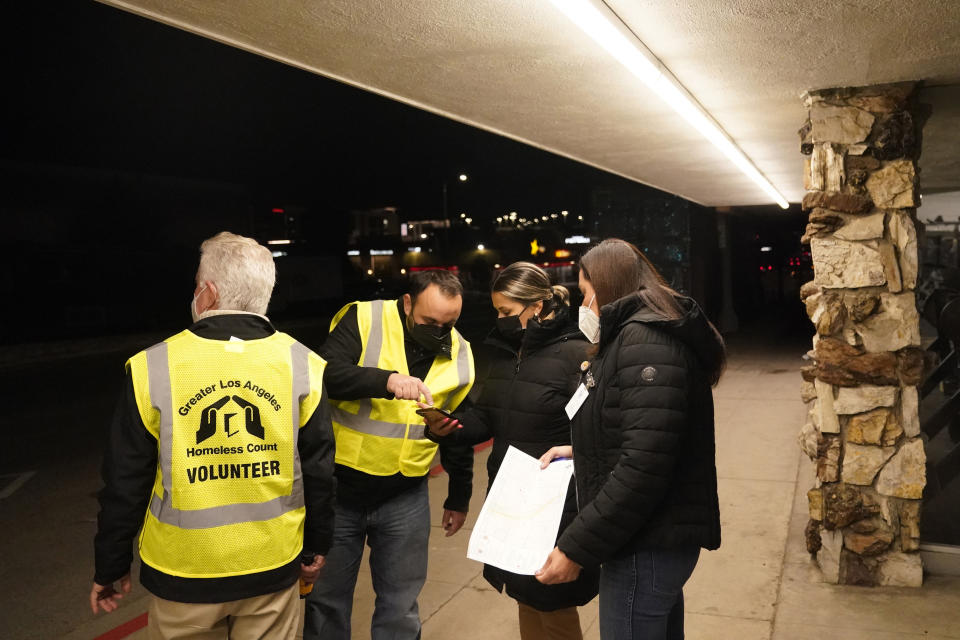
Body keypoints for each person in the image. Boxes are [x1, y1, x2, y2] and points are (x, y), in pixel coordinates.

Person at [91, 231, 336, 639]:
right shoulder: (303, 363)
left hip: (182, 572)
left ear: (206, 293)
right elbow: (319, 471)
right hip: (271, 567)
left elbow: (124, 481)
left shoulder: (152, 366)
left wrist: (110, 564)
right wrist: (316, 547)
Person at [536, 238, 725, 640]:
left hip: (646, 544)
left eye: (585, 294)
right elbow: (646, 432)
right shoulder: (636, 337)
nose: (583, 306)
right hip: (651, 537)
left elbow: (643, 465)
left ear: (607, 286)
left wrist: (575, 547)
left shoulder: (646, 342)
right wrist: (580, 449)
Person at [423, 262, 600, 640]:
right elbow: (487, 419)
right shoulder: (506, 355)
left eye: (506, 312)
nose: (500, 319)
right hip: (511, 499)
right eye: (496, 311)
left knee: (553, 605)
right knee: (525, 596)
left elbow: (598, 432)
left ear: (536, 306)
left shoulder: (575, 356)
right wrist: (448, 427)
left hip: (555, 506)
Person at [304, 270, 476, 640]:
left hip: (405, 496)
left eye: (449, 323)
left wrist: (459, 495)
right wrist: (386, 380)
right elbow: (323, 374)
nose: (440, 331)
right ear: (408, 302)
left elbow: (458, 427)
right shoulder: (365, 318)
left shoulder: (460, 352)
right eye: (430, 321)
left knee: (400, 607)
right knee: (326, 603)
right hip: (340, 492)